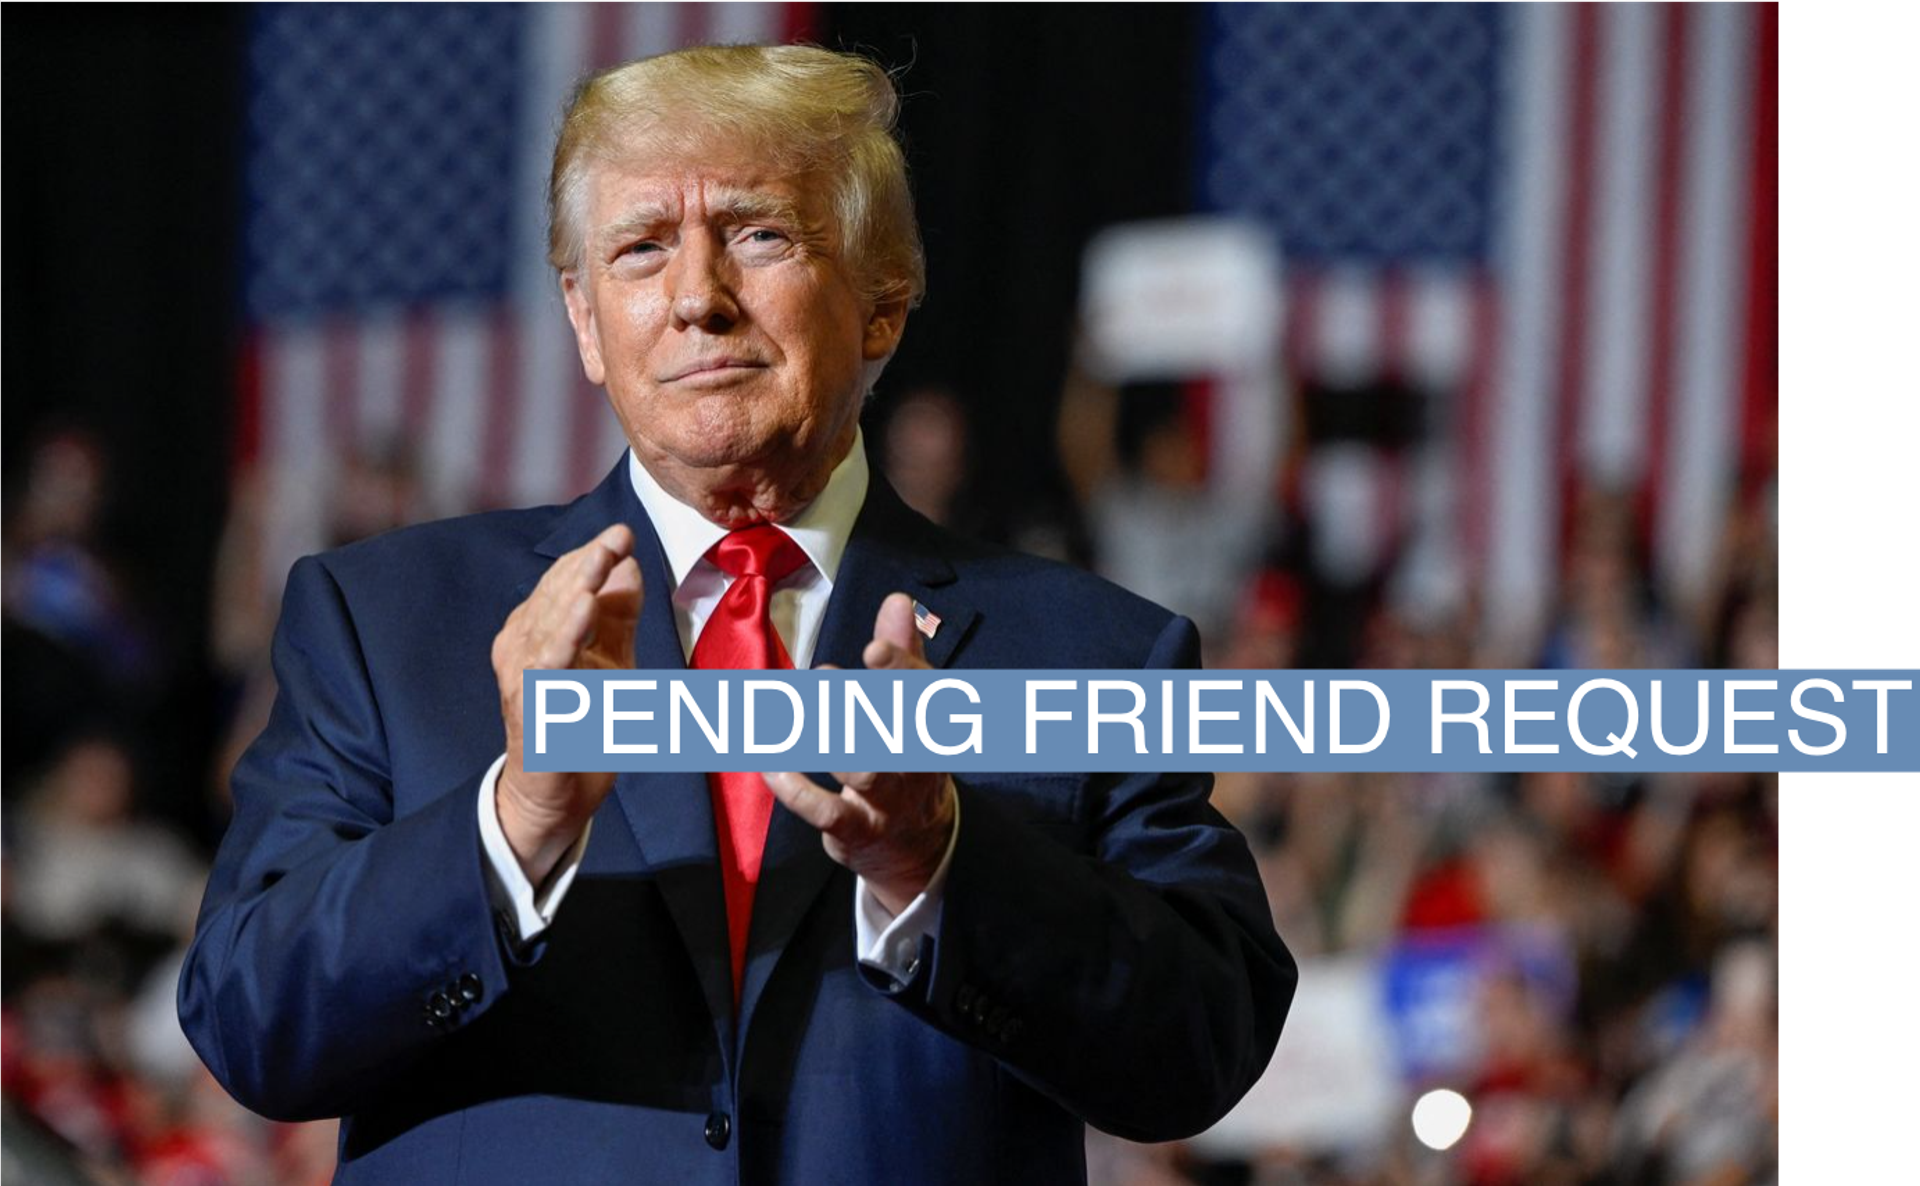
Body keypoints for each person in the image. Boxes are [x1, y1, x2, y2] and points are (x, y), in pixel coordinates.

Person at [178, 44, 1296, 1185]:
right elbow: (249, 1023)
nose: (696, 298)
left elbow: (1202, 1046)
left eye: (760, 234)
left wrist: (940, 857)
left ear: (885, 302)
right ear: (581, 318)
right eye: (640, 248)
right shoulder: (386, 621)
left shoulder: (1096, 654)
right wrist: (515, 820)